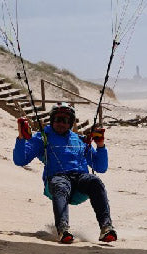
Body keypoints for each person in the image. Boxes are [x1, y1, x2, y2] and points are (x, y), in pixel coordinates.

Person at [13, 102, 117, 244]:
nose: (61, 123)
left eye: (66, 120)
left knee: (95, 181)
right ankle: (63, 229)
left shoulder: (79, 140)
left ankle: (106, 228)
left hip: (80, 180)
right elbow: (20, 160)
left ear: (71, 123)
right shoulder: (42, 137)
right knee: (60, 185)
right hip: (56, 180)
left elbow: (101, 167)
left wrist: (100, 146)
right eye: (58, 119)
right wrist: (21, 139)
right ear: (52, 120)